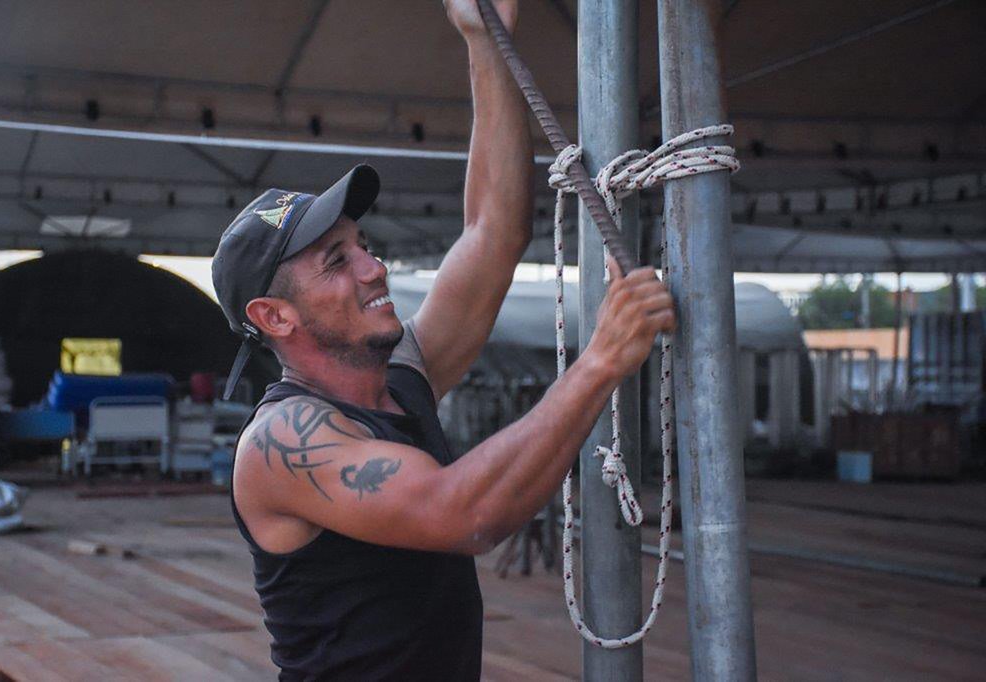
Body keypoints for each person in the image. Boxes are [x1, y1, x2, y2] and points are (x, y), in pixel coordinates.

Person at [211, 1, 675, 679]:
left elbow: (491, 232)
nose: (375, 268)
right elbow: (464, 513)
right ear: (275, 317)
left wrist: (485, 38)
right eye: (337, 262)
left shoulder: (400, 377)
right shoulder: (281, 445)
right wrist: (600, 360)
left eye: (362, 246)